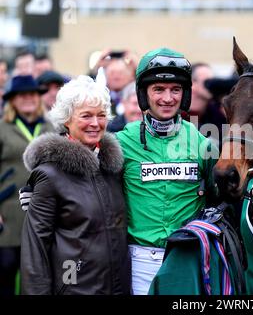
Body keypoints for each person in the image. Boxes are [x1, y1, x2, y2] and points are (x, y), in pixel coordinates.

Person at [116, 48, 218, 295]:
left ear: (184, 94)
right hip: (138, 261)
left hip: (186, 258)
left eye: (175, 90)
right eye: (158, 89)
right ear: (143, 94)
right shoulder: (121, 141)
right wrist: (41, 179)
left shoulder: (203, 143)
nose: (167, 98)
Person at [20, 75, 130, 295]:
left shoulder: (113, 167)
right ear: (67, 120)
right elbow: (35, 249)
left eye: (101, 115)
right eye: (86, 115)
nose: (95, 123)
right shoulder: (50, 174)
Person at [0, 75, 53, 295]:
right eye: (22, 95)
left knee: (37, 278)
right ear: (13, 101)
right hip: (8, 214)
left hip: (43, 213)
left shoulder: (51, 127)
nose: (28, 99)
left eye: (32, 94)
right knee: (5, 273)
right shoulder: (2, 128)